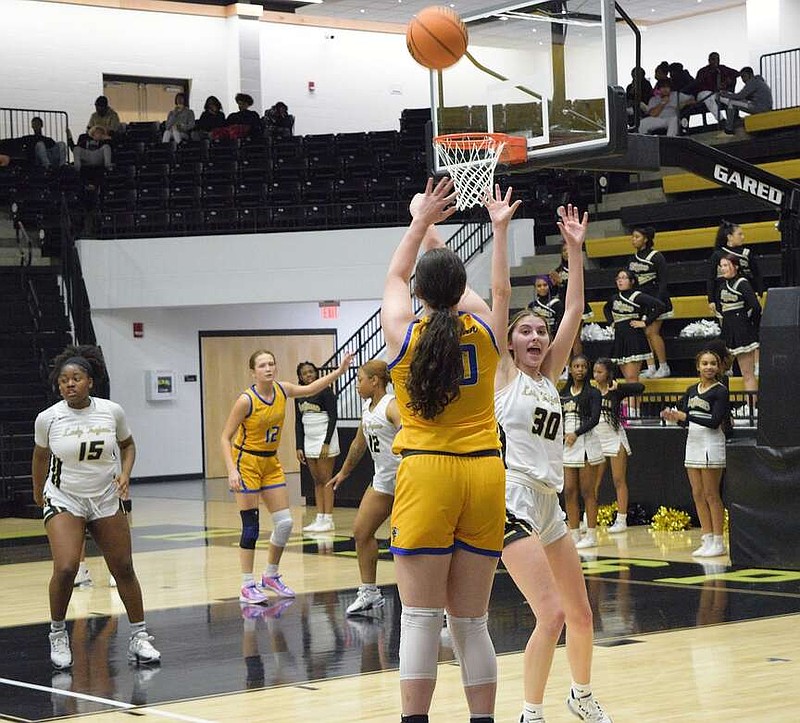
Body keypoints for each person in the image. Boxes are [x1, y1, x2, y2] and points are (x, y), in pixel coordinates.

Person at [382, 178, 519, 723]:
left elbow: (396, 274)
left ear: (419, 293)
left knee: (418, 618)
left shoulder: (403, 331)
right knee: (472, 622)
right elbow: (500, 290)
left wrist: (419, 222)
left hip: (427, 472)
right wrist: (500, 229)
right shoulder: (487, 329)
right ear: (462, 288)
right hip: (485, 472)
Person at [496, 205, 613, 722]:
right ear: (511, 341)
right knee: (553, 613)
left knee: (583, 614)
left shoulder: (550, 376)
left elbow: (574, 309)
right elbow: (500, 297)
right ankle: (530, 711)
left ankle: (581, 697)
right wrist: (499, 232)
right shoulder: (502, 373)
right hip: (513, 500)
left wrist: (574, 250)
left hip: (548, 502)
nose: (536, 337)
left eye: (540, 331)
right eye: (526, 331)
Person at [31, 345, 160, 670]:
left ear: (90, 381)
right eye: (63, 381)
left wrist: (126, 474)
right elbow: (40, 456)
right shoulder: (49, 418)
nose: (69, 384)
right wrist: (38, 492)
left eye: (75, 378)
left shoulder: (111, 411)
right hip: (65, 497)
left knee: (123, 567)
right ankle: (58, 634)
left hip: (104, 496)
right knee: (66, 567)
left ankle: (139, 636)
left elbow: (128, 445)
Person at [220, 349, 353, 605]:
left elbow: (313, 387)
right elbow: (225, 437)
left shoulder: (283, 390)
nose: (268, 368)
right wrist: (231, 469)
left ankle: (270, 576)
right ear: (253, 372)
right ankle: (247, 584)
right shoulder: (246, 400)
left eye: (271, 363)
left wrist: (340, 371)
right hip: (246, 461)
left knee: (284, 523)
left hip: (270, 462)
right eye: (262, 365)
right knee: (251, 528)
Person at [328, 360, 401, 615]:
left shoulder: (392, 406)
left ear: (375, 381)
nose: (357, 384)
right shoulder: (367, 408)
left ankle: (442, 606)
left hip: (407, 482)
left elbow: (413, 434)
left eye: (360, 379)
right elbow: (359, 445)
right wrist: (343, 473)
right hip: (382, 481)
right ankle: (370, 593)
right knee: (361, 532)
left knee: (409, 545)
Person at [661, 350, 730, 558]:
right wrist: (674, 417)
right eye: (705, 363)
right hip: (693, 443)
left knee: (711, 494)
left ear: (718, 367)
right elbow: (686, 421)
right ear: (698, 367)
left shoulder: (721, 391)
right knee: (698, 493)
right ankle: (706, 537)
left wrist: (687, 416)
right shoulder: (691, 390)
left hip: (711, 443)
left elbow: (714, 421)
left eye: (713, 364)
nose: (709, 367)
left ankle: (719, 540)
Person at [591, 358, 644, 535]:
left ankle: (621, 519)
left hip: (614, 436)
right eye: (595, 371)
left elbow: (639, 388)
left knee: (618, 479)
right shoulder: (590, 392)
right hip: (596, 438)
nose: (596, 375)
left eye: (600, 372)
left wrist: (619, 388)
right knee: (593, 483)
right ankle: (588, 519)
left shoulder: (615, 391)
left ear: (608, 373)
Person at [560, 354, 603, 549]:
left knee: (588, 491)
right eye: (576, 366)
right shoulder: (563, 392)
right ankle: (574, 532)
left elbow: (594, 419)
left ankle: (591, 534)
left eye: (583, 367)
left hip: (585, 442)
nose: (579, 370)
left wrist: (576, 433)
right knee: (569, 490)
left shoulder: (593, 393)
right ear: (570, 369)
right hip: (568, 446)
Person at [295, 361, 341, 534]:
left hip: (324, 436)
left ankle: (328, 519)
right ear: (300, 377)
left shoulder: (325, 391)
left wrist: (326, 442)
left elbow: (333, 417)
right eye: (305, 373)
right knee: (316, 480)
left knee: (326, 478)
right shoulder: (299, 395)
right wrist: (299, 445)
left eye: (311, 372)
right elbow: (298, 421)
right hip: (309, 437)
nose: (309, 375)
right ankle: (320, 516)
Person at [604, 269, 665, 382]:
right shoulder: (614, 298)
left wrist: (645, 322)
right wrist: (612, 322)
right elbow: (606, 309)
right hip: (620, 339)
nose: (620, 281)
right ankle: (632, 400)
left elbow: (660, 306)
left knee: (632, 378)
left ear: (632, 281)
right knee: (627, 378)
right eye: (618, 278)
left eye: (623, 278)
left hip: (634, 339)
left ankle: (634, 400)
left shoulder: (637, 296)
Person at [627, 226, 672, 378]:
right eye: (632, 237)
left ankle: (664, 366)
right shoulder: (632, 258)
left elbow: (664, 281)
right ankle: (651, 367)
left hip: (656, 300)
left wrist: (657, 302)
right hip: (641, 301)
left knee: (652, 332)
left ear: (646, 239)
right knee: (643, 333)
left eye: (637, 237)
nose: (633, 240)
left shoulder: (656, 256)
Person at [714, 255, 761, 393]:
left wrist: (751, 325)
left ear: (736, 266)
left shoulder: (742, 283)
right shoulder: (722, 285)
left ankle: (751, 408)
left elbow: (756, 307)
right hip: (727, 332)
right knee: (719, 372)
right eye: (721, 266)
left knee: (747, 373)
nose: (723, 269)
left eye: (726, 265)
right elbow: (720, 308)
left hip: (742, 332)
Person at [707, 220, 764, 310]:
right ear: (730, 237)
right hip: (725, 296)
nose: (743, 237)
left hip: (744, 294)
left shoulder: (746, 253)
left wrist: (760, 292)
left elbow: (757, 274)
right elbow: (711, 278)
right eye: (739, 234)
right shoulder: (717, 255)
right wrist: (711, 300)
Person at [549, 241, 591, 358]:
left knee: (574, 337)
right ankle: (567, 367)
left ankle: (579, 363)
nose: (567, 253)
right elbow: (554, 292)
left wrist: (562, 282)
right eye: (564, 251)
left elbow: (579, 287)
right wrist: (553, 284)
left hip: (577, 305)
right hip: (564, 307)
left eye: (569, 250)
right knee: (565, 337)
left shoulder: (578, 268)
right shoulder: (558, 270)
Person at [719, 66, 773, 134]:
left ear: (750, 75)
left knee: (732, 103)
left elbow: (740, 96)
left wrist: (725, 94)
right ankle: (734, 119)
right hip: (764, 107)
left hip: (759, 108)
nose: (743, 79)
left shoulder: (753, 82)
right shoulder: (758, 81)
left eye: (744, 76)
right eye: (741, 77)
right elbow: (744, 96)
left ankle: (729, 127)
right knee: (736, 101)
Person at [691, 52, 739, 120]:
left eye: (717, 59)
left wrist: (727, 81)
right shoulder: (703, 71)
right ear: (709, 60)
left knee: (731, 98)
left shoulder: (722, 68)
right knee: (708, 97)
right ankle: (721, 120)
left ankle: (735, 118)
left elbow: (737, 73)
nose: (716, 61)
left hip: (717, 93)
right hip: (703, 94)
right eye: (713, 59)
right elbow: (698, 86)